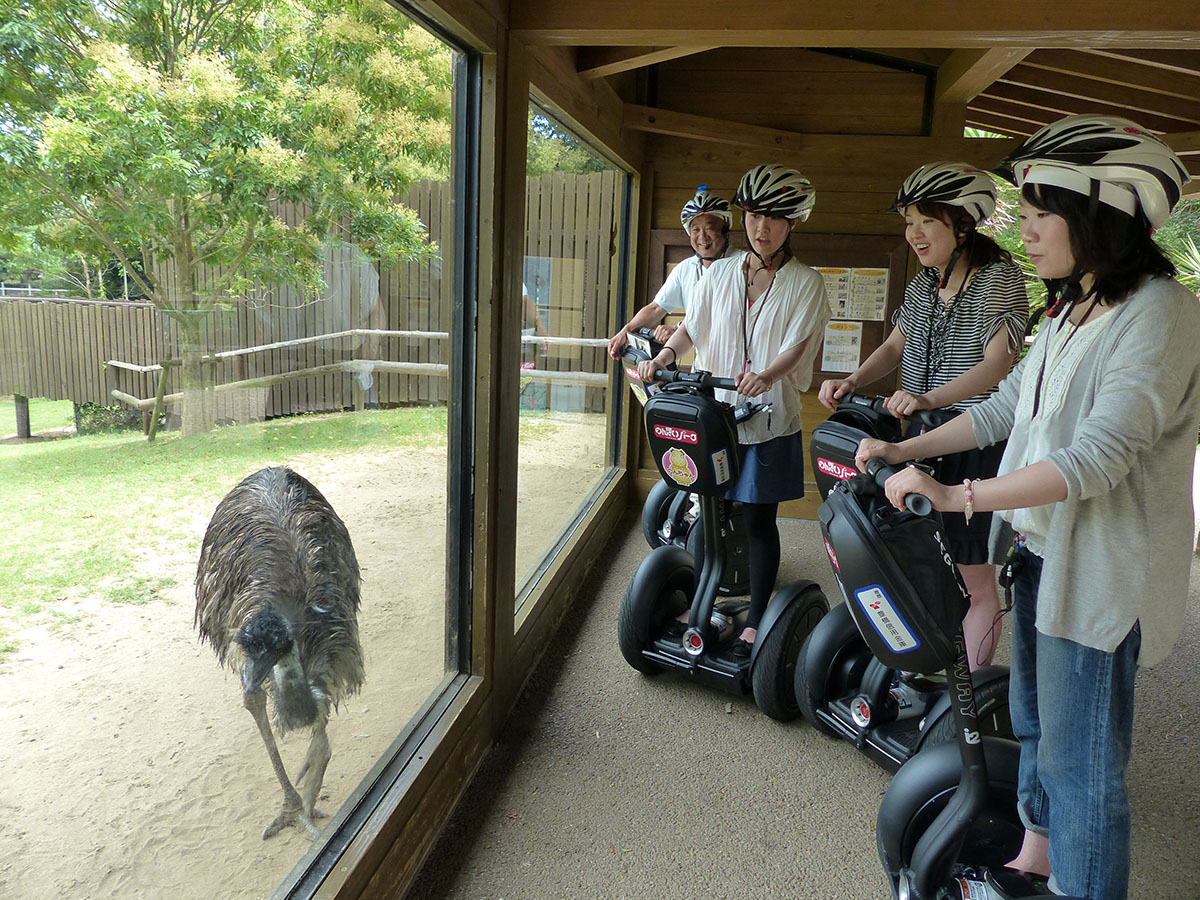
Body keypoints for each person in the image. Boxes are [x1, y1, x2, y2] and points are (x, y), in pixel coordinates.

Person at [855, 115, 1199, 900]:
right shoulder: (1072, 308)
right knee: (1038, 731)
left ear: (1100, 217)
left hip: (1102, 573)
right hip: (1041, 556)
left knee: (1085, 769)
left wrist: (958, 493)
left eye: (1044, 213)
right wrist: (906, 451)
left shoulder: (1161, 313)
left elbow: (1097, 458)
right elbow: (1006, 406)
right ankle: (1036, 859)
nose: (1026, 228)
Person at [819, 161, 1029, 669]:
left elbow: (997, 364)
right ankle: (929, 664)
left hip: (974, 443)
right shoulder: (924, 285)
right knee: (917, 558)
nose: (913, 233)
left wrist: (930, 398)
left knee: (972, 575)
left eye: (926, 221)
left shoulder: (998, 279)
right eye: (908, 221)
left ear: (961, 224)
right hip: (918, 439)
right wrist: (853, 380)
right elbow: (895, 345)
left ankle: (972, 691)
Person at [637, 164, 832, 660]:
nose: (759, 227)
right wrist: (662, 358)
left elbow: (797, 345)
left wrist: (766, 374)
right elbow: (692, 330)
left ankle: (759, 614)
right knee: (710, 511)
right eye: (751, 215)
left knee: (757, 520)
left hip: (767, 418)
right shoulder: (720, 273)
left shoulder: (806, 282)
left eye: (771, 217)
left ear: (792, 221)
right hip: (713, 418)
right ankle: (704, 601)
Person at [608, 187, 732, 359]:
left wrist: (677, 328)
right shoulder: (686, 268)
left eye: (710, 228)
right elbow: (657, 307)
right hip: (706, 366)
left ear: (726, 228)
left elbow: (725, 317)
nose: (702, 236)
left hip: (741, 369)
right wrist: (625, 332)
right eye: (695, 230)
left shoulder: (741, 265)